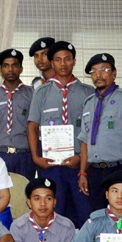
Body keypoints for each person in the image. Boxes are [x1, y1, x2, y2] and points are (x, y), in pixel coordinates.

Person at [26, 41, 93, 225]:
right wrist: (36, 157)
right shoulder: (41, 93)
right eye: (58, 60)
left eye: (67, 59)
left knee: (83, 212)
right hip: (50, 166)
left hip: (79, 165)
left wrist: (81, 159)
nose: (63, 64)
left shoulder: (88, 93)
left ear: (74, 61)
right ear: (52, 63)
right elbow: (32, 126)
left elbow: (91, 130)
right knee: (53, 213)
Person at [77, 53, 122, 214]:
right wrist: (83, 173)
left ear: (114, 73)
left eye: (104, 69)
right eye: (93, 71)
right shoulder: (88, 102)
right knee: (97, 217)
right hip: (94, 172)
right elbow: (84, 141)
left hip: (119, 169)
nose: (98, 75)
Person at [0, 49, 36, 179]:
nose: (10, 69)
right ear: (1, 70)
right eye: (6, 66)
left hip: (25, 155)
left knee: (24, 195)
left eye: (14, 65)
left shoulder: (33, 94)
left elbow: (36, 127)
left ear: (21, 68)